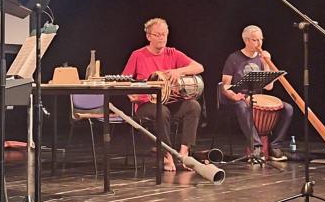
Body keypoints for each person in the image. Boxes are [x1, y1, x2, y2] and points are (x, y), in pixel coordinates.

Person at [122, 18, 204, 172]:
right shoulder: (138, 55)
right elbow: (125, 81)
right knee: (161, 110)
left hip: (170, 102)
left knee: (193, 106)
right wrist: (133, 94)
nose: (161, 38)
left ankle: (183, 154)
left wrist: (178, 71)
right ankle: (167, 156)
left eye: (164, 34)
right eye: (157, 34)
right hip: (146, 104)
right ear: (149, 36)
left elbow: (199, 67)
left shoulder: (172, 53)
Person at [220, 25, 293, 162]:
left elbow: (269, 87)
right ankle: (256, 146)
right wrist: (235, 95)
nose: (259, 43)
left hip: (256, 97)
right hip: (238, 98)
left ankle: (275, 146)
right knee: (242, 106)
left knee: (288, 108)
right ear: (246, 41)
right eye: (255, 40)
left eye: (261, 39)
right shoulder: (234, 58)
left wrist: (266, 63)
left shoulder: (261, 58)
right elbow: (225, 85)